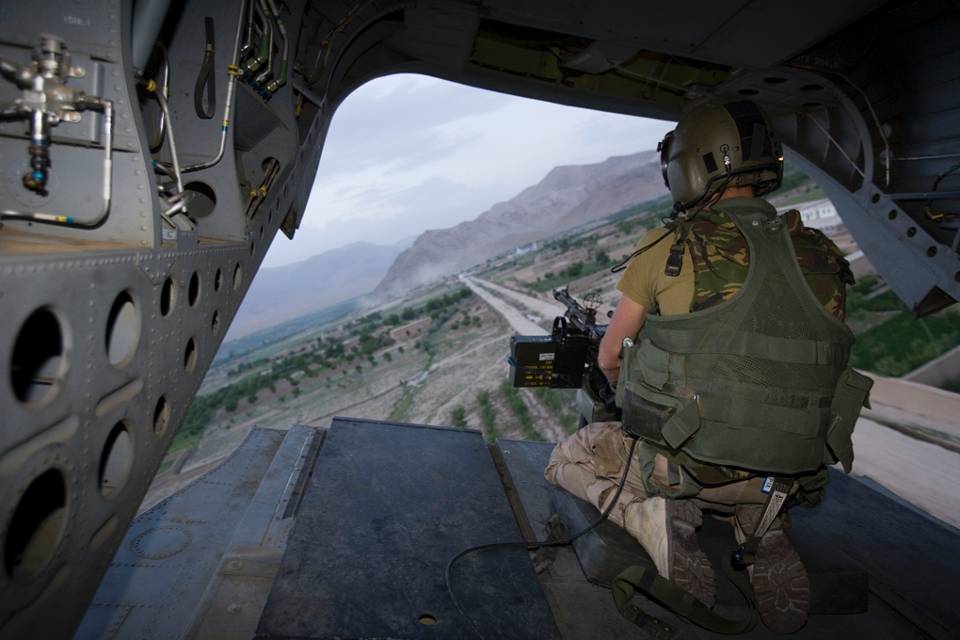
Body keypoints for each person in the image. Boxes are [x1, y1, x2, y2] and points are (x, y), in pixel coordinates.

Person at [544, 100, 872, 634]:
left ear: (690, 167)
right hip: (785, 474)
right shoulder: (820, 252)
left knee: (566, 456)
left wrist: (640, 388)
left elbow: (610, 359)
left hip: (688, 471)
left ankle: (648, 516)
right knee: (756, 448)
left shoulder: (669, 246)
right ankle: (760, 523)